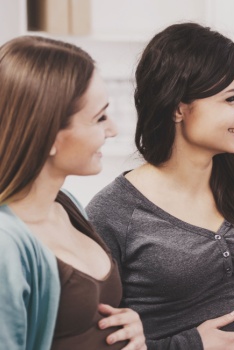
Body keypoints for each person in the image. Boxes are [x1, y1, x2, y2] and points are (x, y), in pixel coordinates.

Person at [85, 23, 234, 350]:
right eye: (232, 98)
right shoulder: (114, 213)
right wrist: (192, 345)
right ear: (178, 107)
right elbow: (97, 340)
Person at [0, 36, 145, 350]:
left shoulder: (67, 206)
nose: (113, 130)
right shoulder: (5, 244)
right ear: (48, 133)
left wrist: (129, 327)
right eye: (99, 118)